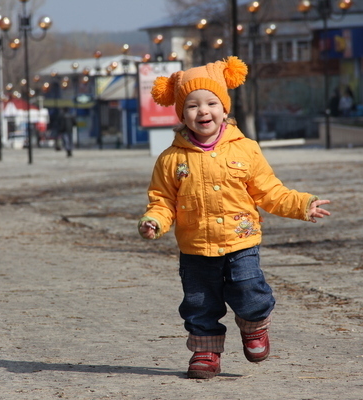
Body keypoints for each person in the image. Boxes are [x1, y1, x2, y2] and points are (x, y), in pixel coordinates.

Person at [138, 57, 331, 380]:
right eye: (192, 106)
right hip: (195, 248)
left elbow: (270, 191)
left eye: (211, 103)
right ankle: (206, 352)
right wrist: (154, 221)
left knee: (249, 290)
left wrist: (301, 204)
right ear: (182, 114)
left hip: (241, 241)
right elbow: (163, 200)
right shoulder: (171, 159)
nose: (203, 111)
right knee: (199, 304)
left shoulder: (245, 149)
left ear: (224, 108)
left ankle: (254, 326)